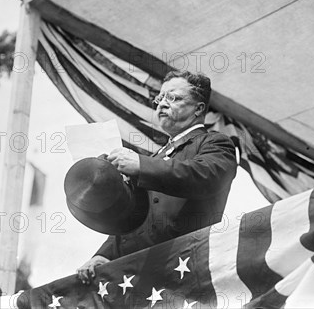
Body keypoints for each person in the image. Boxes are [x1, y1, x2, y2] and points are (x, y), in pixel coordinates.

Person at [77, 71, 237, 283]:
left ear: (198, 108)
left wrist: (141, 165)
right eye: (160, 98)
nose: (161, 104)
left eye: (173, 98)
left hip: (181, 272)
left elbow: (204, 176)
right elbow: (131, 215)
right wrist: (103, 255)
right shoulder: (155, 158)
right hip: (136, 276)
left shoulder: (216, 143)